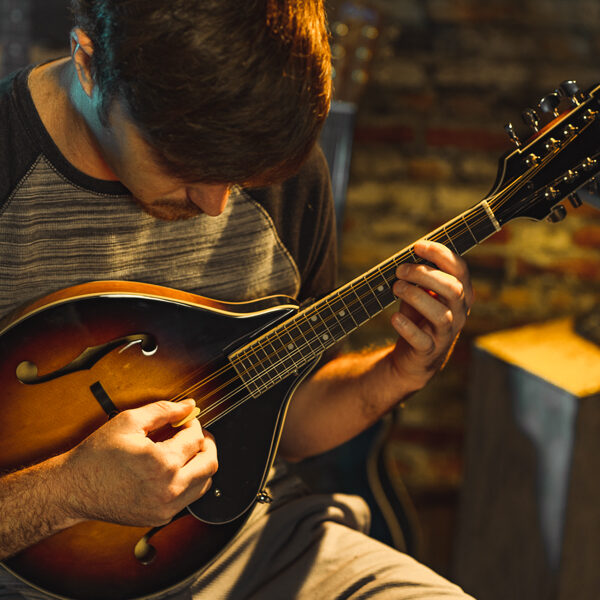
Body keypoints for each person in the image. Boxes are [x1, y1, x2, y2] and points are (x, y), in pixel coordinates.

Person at [0, 1, 475, 598]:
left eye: (242, 175)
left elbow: (279, 421)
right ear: (89, 64)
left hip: (246, 543)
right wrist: (70, 488)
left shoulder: (284, 171)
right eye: (183, 165)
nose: (216, 205)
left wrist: (396, 373)